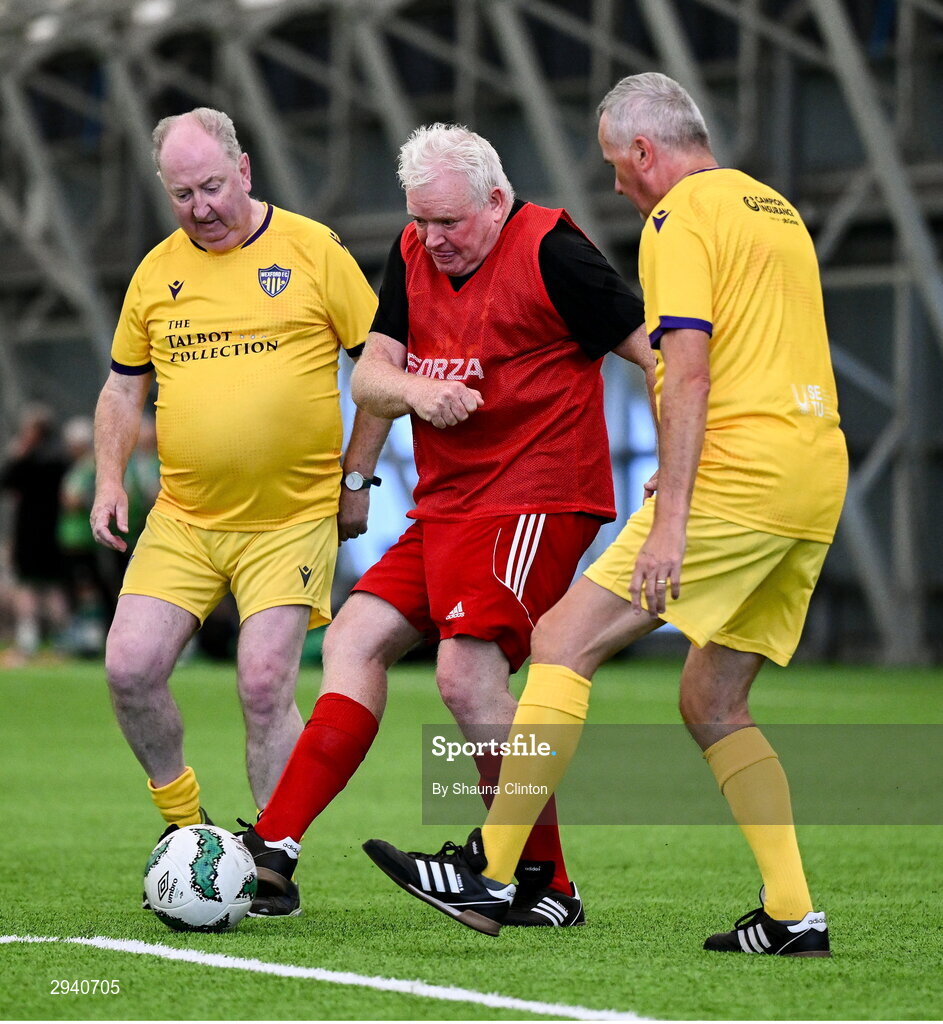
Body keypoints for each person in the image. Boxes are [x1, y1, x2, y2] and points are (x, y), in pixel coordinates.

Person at [363, 75, 848, 957]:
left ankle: (498, 871)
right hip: (813, 474)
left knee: (559, 644)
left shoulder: (678, 219)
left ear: (643, 153)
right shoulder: (770, 207)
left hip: (736, 477)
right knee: (711, 699)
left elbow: (686, 364)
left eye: (614, 166)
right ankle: (790, 914)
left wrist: (672, 506)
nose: (616, 186)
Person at [237, 123, 654, 925]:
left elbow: (657, 356)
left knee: (465, 676)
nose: (431, 240)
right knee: (354, 638)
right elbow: (372, 375)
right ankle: (274, 849)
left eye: (448, 223)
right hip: (449, 503)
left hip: (536, 496)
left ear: (496, 201)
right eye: (419, 221)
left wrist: (677, 471)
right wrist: (407, 412)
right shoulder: (411, 250)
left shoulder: (553, 251)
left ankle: (544, 883)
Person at [90, 107, 386, 844]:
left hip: (289, 518)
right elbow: (124, 387)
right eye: (183, 195)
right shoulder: (157, 272)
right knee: (128, 667)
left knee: (262, 683)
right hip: (186, 518)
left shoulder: (313, 250)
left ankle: (271, 853)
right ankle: (187, 832)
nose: (202, 208)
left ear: (244, 170)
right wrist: (106, 480)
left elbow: (380, 366)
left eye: (213, 187)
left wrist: (356, 480)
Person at [0, 404, 70, 666]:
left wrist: (17, 454)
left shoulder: (29, 460)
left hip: (30, 533)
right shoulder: (60, 458)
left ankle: (28, 640)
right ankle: (63, 639)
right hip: (54, 532)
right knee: (53, 586)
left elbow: (6, 481)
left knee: (27, 586)